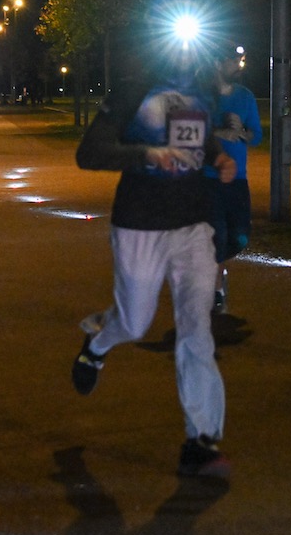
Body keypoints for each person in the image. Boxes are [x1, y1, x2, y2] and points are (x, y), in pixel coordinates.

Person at [72, 42, 237, 479]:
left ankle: (201, 440)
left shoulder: (202, 92)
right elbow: (89, 153)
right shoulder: (132, 91)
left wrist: (218, 156)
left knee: (196, 327)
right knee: (136, 322)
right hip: (140, 224)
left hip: (193, 224)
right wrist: (146, 156)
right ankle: (96, 346)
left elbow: (198, 134)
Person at [204, 44, 263, 312]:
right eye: (232, 61)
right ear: (218, 63)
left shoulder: (246, 96)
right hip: (207, 178)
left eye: (240, 60)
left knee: (240, 236)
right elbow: (191, 131)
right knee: (217, 234)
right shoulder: (202, 96)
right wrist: (219, 132)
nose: (238, 65)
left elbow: (257, 136)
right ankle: (215, 289)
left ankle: (208, 266)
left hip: (238, 179)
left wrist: (242, 132)